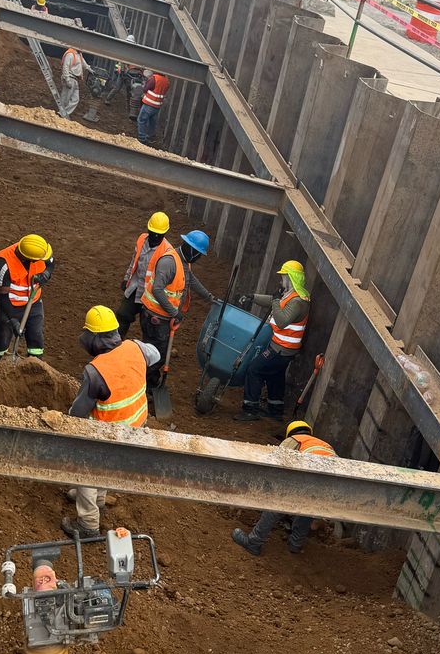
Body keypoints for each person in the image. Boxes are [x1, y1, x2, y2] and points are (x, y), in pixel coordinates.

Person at [63, 306, 159, 539]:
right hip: (136, 427)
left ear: (94, 338)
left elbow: (77, 413)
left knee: (86, 466)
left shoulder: (96, 371)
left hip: (110, 433)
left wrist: (64, 423)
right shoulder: (135, 347)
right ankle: (100, 498)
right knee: (107, 463)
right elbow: (155, 355)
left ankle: (88, 524)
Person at [232, 420, 335, 557]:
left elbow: (275, 465)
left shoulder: (293, 440)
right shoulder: (324, 445)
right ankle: (295, 544)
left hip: (310, 475)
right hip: (333, 483)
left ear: (289, 434)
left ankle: (254, 542)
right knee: (307, 506)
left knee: (277, 502)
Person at [138, 228, 214, 390]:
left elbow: (190, 279)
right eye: (199, 254)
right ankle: (137, 381)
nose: (199, 258)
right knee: (158, 356)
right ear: (193, 251)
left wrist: (209, 297)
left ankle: (149, 384)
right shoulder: (170, 262)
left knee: (152, 352)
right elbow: (157, 289)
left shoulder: (183, 261)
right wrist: (175, 313)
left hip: (161, 316)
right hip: (155, 317)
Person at [237, 260, 310, 421]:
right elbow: (274, 301)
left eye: (283, 277)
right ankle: (275, 410)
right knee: (275, 375)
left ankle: (250, 408)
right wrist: (253, 297)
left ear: (290, 278)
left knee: (254, 370)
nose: (281, 281)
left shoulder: (297, 302)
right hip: (285, 349)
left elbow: (282, 320)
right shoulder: (294, 296)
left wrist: (276, 301)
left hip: (281, 349)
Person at [0, 234, 53, 360]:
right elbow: (3, 297)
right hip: (10, 306)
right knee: (2, 341)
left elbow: (51, 262)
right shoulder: (5, 265)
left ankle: (36, 366)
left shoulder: (41, 250)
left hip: (34, 302)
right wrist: (13, 320)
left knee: (36, 339)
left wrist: (46, 274)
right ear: (29, 258)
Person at [117, 211, 171, 337]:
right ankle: (114, 345)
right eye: (153, 233)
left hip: (151, 296)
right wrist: (127, 278)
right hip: (136, 288)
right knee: (122, 315)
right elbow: (134, 260)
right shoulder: (142, 239)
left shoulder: (167, 252)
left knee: (148, 328)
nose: (156, 237)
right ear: (148, 229)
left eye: (159, 234)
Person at [136, 69, 171, 146]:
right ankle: (149, 137)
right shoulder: (167, 81)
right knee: (152, 122)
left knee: (141, 120)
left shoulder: (154, 78)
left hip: (149, 104)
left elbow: (145, 89)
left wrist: (144, 85)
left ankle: (142, 139)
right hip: (157, 106)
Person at [60, 46, 90, 118]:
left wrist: (89, 69)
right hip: (70, 77)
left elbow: (84, 63)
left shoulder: (78, 54)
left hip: (76, 79)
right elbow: (65, 67)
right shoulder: (70, 54)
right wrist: (67, 80)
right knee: (65, 98)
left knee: (75, 99)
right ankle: (61, 113)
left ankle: (65, 113)